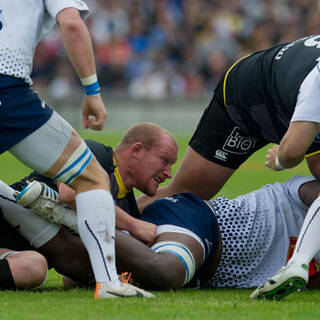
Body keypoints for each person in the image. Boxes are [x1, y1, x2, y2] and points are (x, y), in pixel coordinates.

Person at [0, 1, 153, 298]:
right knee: (92, 177)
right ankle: (109, 282)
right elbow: (71, 23)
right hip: (6, 84)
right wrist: (92, 92)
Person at [5, 175, 320, 294]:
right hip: (205, 221)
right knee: (167, 271)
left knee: (79, 270)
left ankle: (57, 215)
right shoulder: (306, 189)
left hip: (206, 269)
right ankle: (78, 217)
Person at [137, 34, 320, 211]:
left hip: (287, 101)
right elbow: (292, 152)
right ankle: (119, 220)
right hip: (248, 99)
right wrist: (279, 159)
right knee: (187, 194)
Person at [14, 122, 178, 244]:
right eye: (164, 160)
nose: (168, 173)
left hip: (22, 250)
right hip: (8, 217)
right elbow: (70, 194)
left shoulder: (128, 210)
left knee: (33, 268)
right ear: (136, 150)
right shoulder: (93, 153)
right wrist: (133, 225)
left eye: (171, 165)